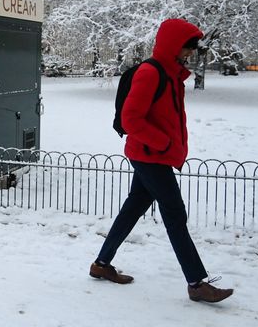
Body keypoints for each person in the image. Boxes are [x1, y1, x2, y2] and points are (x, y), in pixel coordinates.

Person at [89, 18, 234, 303]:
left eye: (192, 48)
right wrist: (164, 143)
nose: (190, 53)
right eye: (187, 47)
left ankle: (101, 265)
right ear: (173, 45)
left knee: (133, 209)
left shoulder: (170, 75)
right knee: (175, 213)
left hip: (154, 155)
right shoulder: (151, 73)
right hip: (150, 156)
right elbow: (131, 119)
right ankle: (196, 283)